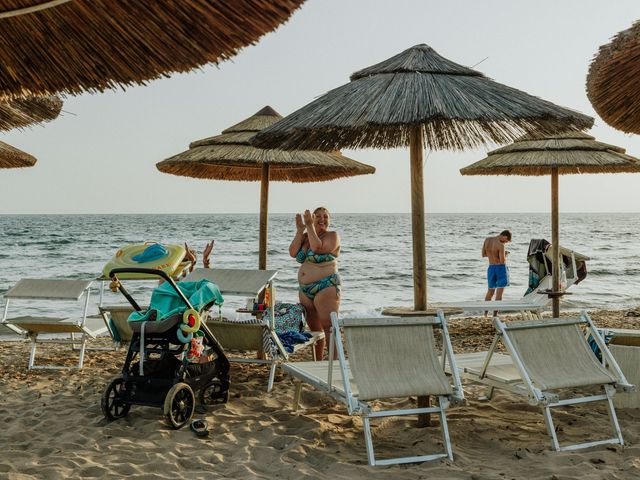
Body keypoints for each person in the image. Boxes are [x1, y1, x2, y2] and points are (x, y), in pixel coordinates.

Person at [289, 207, 341, 360]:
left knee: (330, 329)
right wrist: (300, 230)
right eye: (317, 216)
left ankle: (334, 365)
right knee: (315, 331)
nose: (321, 219)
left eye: (325, 216)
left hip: (326, 287)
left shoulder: (332, 236)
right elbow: (293, 253)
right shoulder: (306, 236)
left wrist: (310, 225)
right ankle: (319, 363)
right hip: (305, 291)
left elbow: (318, 247)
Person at [482, 230, 512, 309]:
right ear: (505, 236)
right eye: (506, 241)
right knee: (499, 293)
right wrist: (505, 254)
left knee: (490, 291)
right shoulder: (501, 245)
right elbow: (502, 261)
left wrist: (493, 255)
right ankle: (495, 315)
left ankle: (485, 313)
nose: (505, 242)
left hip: (491, 267)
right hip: (500, 268)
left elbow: (483, 254)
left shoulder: (487, 240)